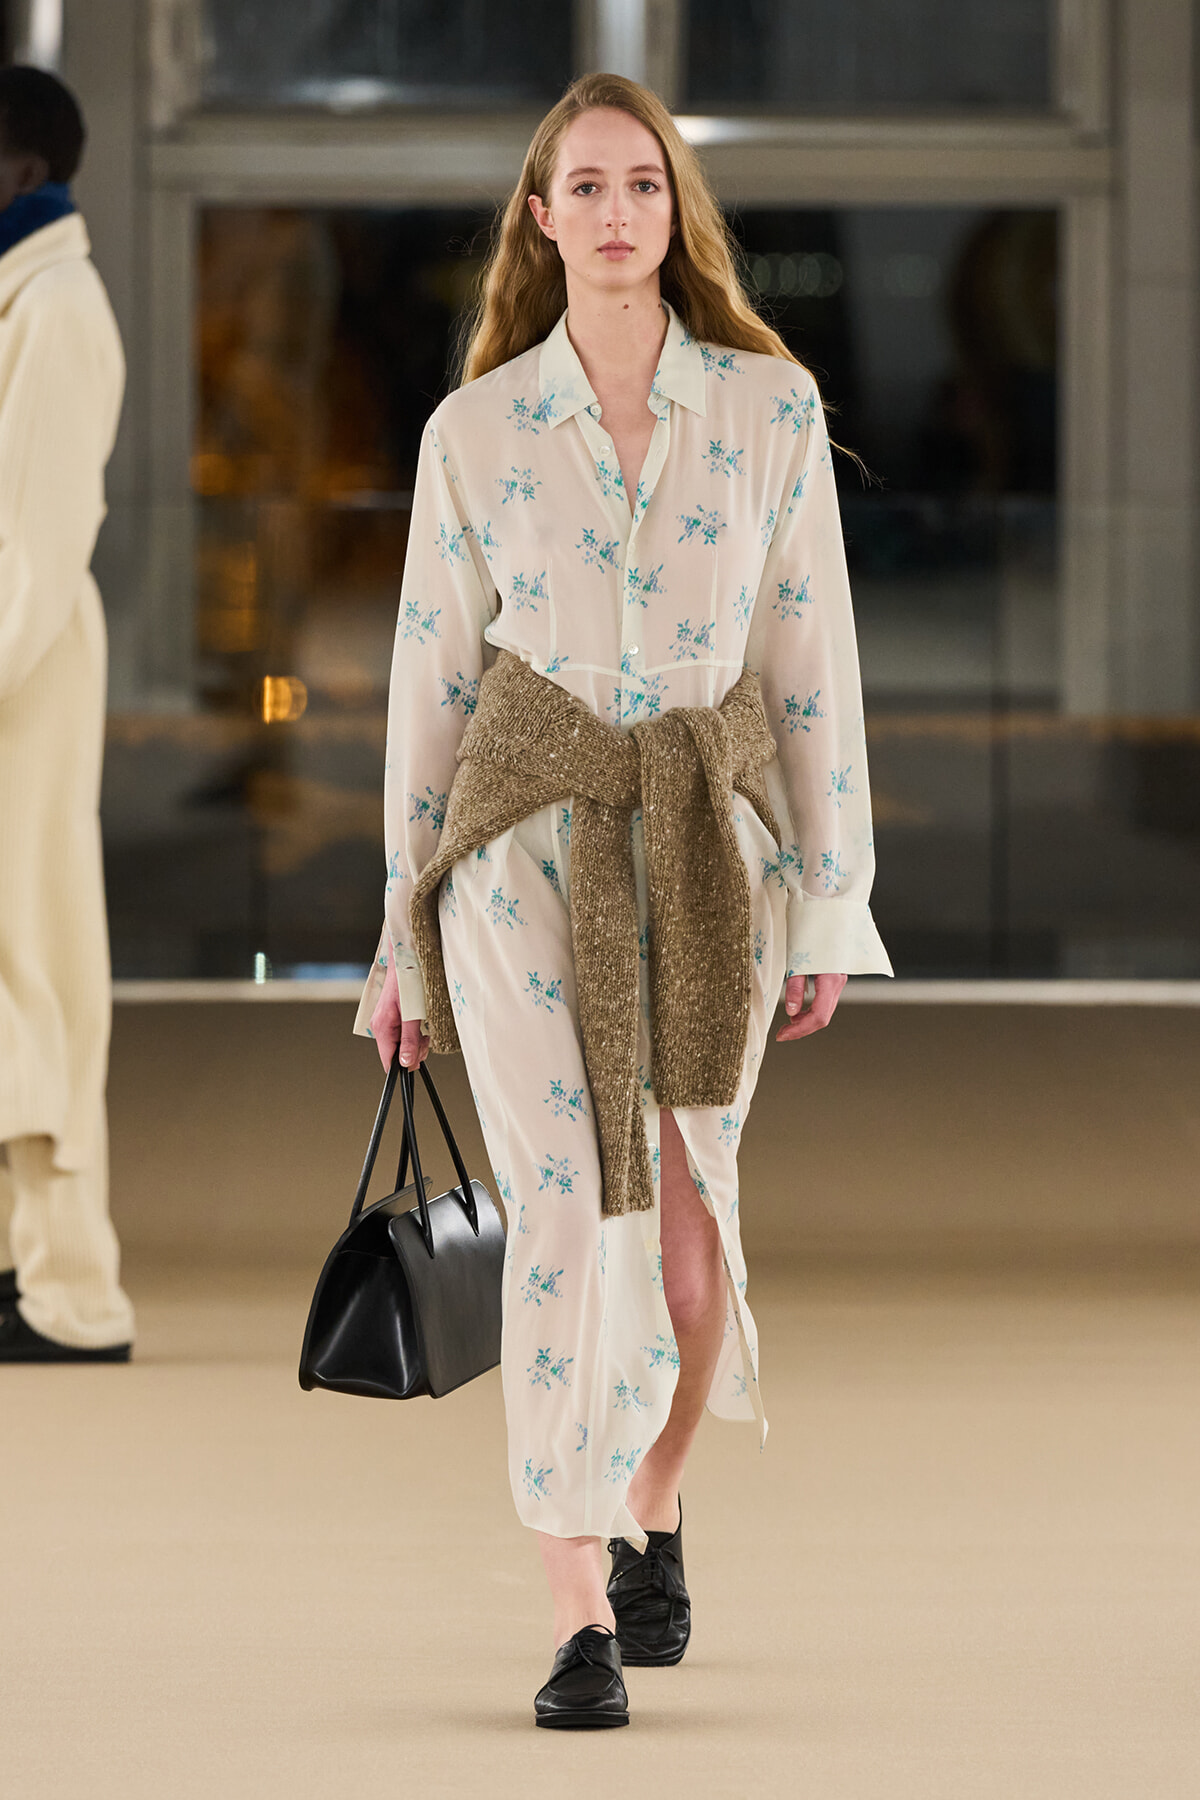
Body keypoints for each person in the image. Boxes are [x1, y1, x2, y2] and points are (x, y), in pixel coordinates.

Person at [356, 71, 891, 1727]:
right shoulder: (477, 431)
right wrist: (401, 929)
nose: (611, 213)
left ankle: (652, 1494)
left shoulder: (771, 411)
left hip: (708, 848)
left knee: (681, 1228)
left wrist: (829, 898)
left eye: (640, 186)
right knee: (571, 1222)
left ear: (676, 215)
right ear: (541, 217)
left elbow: (811, 670)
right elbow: (430, 688)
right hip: (519, 856)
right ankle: (581, 1600)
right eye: (581, 187)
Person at [0, 67, 133, 1363]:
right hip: (15, 667)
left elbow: (30, 547)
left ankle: (70, 1291)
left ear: (21, 165)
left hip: (19, 680)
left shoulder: (58, 304)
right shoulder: (29, 294)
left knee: (37, 970)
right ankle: (28, 1268)